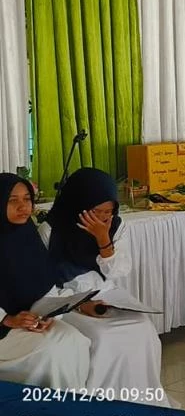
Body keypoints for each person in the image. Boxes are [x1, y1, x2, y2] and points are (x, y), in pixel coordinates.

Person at [41, 168, 166, 401]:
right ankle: (101, 404)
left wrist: (103, 239)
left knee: (144, 330)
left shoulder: (116, 226)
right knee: (103, 338)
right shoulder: (51, 230)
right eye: (96, 211)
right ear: (79, 205)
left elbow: (119, 271)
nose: (102, 218)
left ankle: (143, 401)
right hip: (66, 300)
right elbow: (41, 282)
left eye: (108, 212)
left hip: (107, 294)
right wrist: (78, 304)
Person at [0, 173, 90, 389]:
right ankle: (47, 413)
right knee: (52, 351)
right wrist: (7, 320)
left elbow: (45, 281)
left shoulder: (27, 235)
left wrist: (47, 314)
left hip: (29, 322)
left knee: (75, 341)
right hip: (4, 328)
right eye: (13, 200)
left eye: (27, 199)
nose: (23, 207)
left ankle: (71, 409)